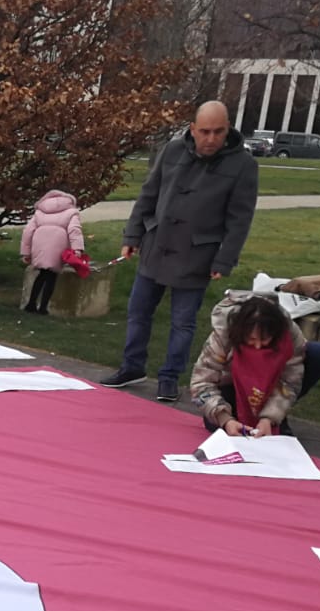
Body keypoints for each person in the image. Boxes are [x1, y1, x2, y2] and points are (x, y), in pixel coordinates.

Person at [100, 101, 259, 403]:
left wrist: (225, 259)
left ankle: (170, 377)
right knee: (138, 312)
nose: (211, 139)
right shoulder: (172, 152)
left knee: (183, 321)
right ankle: (131, 367)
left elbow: (240, 220)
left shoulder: (243, 165)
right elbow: (148, 194)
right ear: (192, 129)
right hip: (156, 244)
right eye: (205, 132)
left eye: (218, 131)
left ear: (228, 130)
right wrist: (133, 234)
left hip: (197, 253)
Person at [189, 294, 315, 436]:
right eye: (251, 339)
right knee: (222, 430)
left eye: (265, 339)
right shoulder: (223, 334)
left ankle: (275, 419)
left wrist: (270, 417)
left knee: (318, 353)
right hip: (231, 388)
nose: (257, 345)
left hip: (268, 387)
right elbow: (201, 382)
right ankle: (235, 418)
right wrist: (225, 418)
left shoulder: (290, 334)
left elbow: (290, 381)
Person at [19, 190, 84, 315]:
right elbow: (74, 230)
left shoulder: (40, 212)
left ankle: (31, 303)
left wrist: (26, 252)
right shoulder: (72, 212)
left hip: (40, 242)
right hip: (58, 243)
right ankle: (43, 307)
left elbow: (28, 231)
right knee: (52, 275)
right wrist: (77, 248)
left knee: (42, 273)